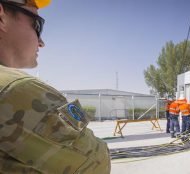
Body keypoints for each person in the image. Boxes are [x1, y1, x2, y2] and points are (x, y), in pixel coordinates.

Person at [0, 0, 110, 173]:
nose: (41, 42)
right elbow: (96, 162)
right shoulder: (16, 88)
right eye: (37, 25)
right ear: (1, 17)